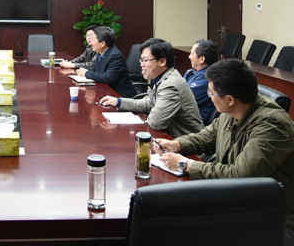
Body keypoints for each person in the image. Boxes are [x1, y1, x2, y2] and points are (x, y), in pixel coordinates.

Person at [154, 59, 294, 242]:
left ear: (230, 99)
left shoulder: (271, 124)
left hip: (272, 214)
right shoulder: (233, 110)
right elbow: (206, 137)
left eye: (211, 93)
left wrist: (186, 164)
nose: (209, 97)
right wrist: (177, 144)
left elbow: (241, 175)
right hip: (236, 200)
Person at [99, 38, 203, 138]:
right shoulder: (163, 78)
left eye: (145, 60)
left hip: (185, 144)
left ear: (162, 61)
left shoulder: (171, 85)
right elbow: (150, 104)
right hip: (170, 138)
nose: (141, 64)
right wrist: (118, 102)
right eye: (141, 60)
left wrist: (124, 125)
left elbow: (155, 122)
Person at [75, 26, 137, 98]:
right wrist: (82, 71)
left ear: (102, 43)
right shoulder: (101, 52)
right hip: (106, 93)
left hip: (120, 97)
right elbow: (95, 68)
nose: (91, 43)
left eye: (93, 40)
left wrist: (86, 73)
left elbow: (107, 78)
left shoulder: (115, 56)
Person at [184, 39, 219, 125]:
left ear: (202, 59)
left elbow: (181, 100)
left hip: (191, 124)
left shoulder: (208, 79)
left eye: (192, 54)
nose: (189, 57)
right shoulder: (191, 72)